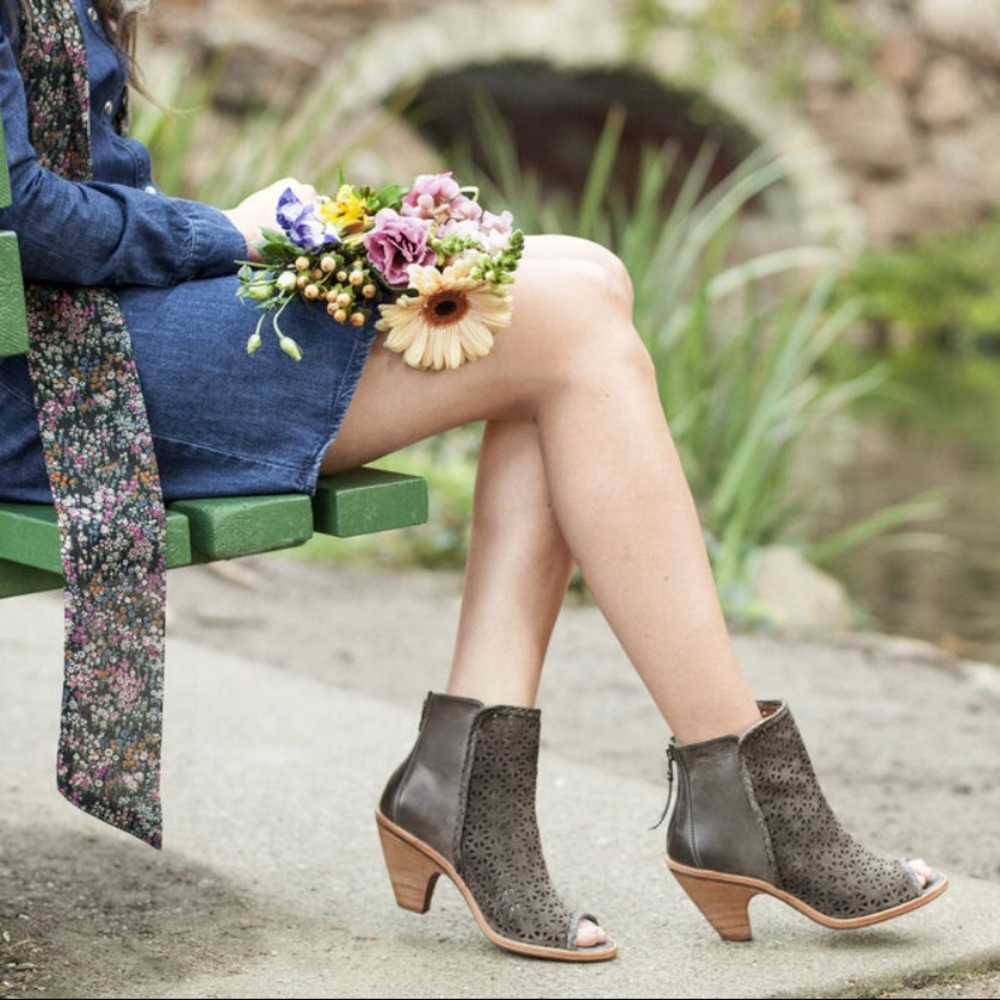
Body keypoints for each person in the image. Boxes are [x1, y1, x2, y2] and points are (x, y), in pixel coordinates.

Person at [0, 0, 947, 965]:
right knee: (569, 326)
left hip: (105, 327)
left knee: (589, 277)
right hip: (58, 381)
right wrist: (226, 236)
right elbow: (18, 211)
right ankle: (738, 798)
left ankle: (471, 792)